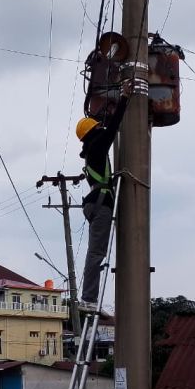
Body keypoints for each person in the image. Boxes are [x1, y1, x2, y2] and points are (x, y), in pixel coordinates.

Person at [75, 80, 132, 312]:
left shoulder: (92, 151)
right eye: (97, 127)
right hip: (101, 204)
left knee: (95, 251)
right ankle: (88, 298)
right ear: (93, 131)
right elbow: (112, 127)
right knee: (96, 252)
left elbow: (107, 126)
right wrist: (125, 98)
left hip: (96, 202)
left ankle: (89, 297)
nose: (101, 128)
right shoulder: (98, 146)